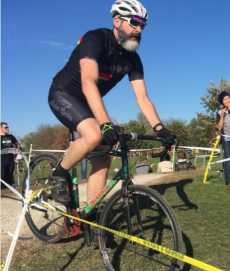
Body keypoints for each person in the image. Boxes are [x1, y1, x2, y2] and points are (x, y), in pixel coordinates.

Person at [47, 0, 176, 206]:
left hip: (88, 103)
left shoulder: (133, 59)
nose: (139, 29)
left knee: (103, 159)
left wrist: (159, 128)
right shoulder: (96, 39)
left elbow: (142, 98)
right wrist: (105, 122)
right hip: (63, 94)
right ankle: (58, 174)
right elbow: (88, 82)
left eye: (142, 25)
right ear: (117, 21)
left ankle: (92, 215)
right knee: (95, 135)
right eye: (134, 23)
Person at [1, 122, 20, 190]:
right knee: (2, 175)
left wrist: (16, 153)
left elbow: (17, 144)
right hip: (1, 160)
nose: (7, 128)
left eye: (7, 127)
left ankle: (7, 190)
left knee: (10, 176)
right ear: (1, 128)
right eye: (5, 127)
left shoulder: (11, 136)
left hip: (10, 159)